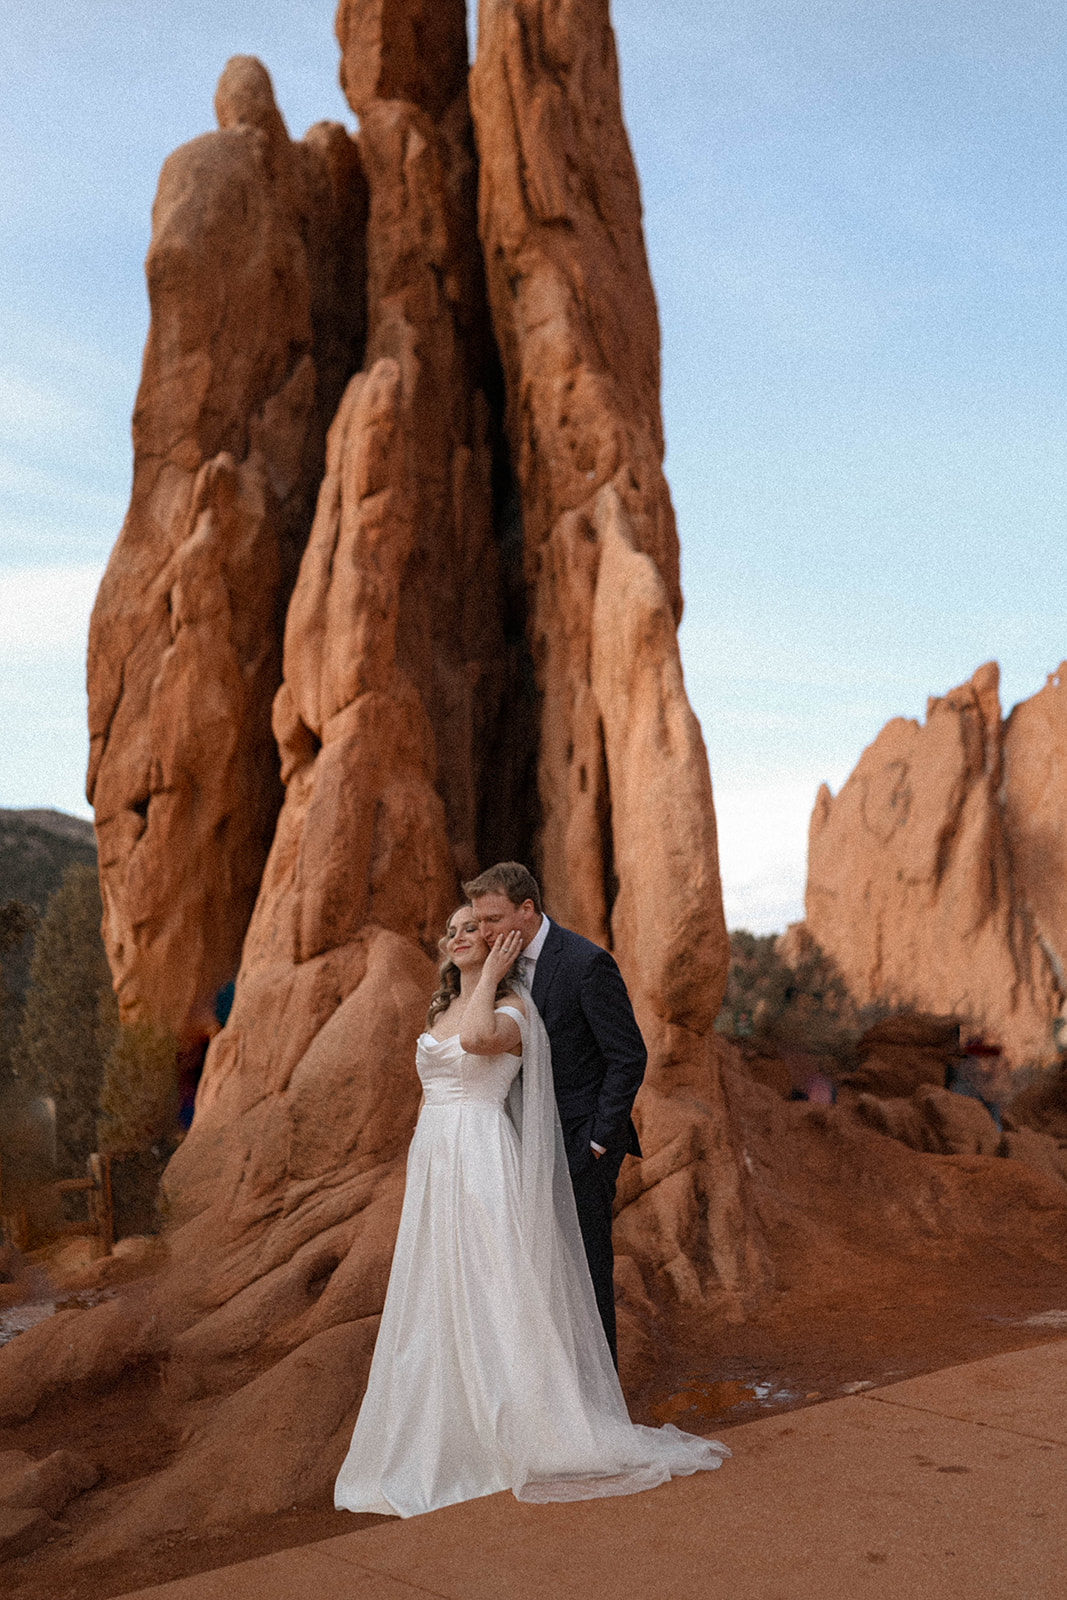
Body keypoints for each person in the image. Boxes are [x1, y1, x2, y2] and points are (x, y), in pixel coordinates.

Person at [334, 906, 728, 1518]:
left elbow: (476, 1041)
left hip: (486, 1155)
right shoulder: (439, 1009)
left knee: (496, 1284)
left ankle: (520, 1428)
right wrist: (475, 978)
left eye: (475, 929)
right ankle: (441, 1426)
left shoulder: (516, 1009)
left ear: (500, 943)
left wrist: (490, 974)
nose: (462, 936)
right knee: (438, 1287)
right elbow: (443, 1054)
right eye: (454, 931)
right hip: (437, 1157)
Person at [464, 862, 644, 1365]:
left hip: (580, 1145)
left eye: (494, 919)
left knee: (586, 1272)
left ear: (528, 909)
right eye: (479, 922)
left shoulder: (586, 964)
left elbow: (628, 1056)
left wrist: (598, 1141)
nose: (486, 932)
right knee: (539, 1272)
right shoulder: (498, 965)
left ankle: (602, 1403)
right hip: (522, 1143)